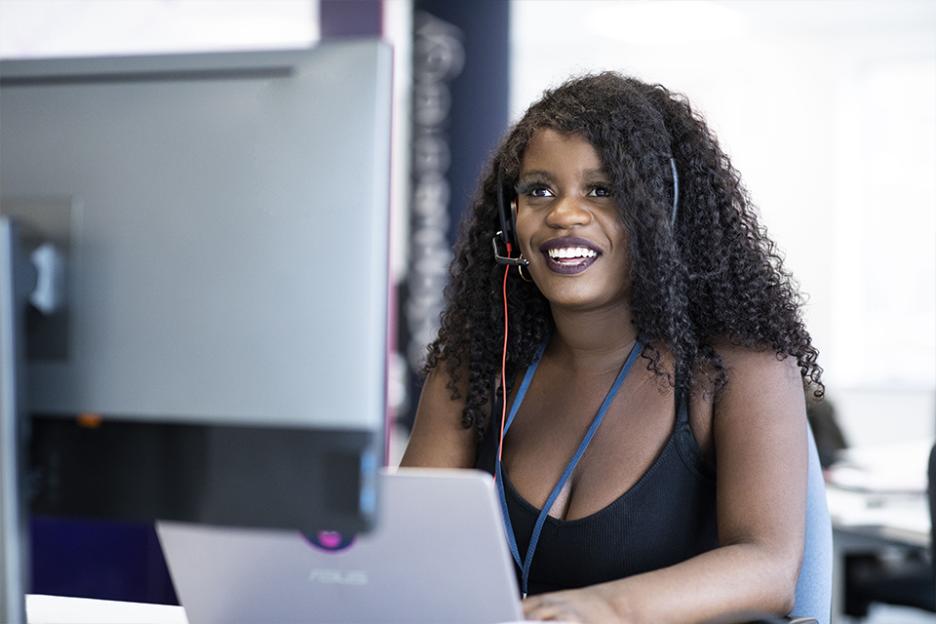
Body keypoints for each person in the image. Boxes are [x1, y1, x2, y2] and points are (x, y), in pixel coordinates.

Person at [401, 72, 824, 623]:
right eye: (538, 191)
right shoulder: (477, 365)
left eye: (602, 190)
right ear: (510, 220)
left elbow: (767, 569)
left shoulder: (739, 366)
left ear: (664, 213)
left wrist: (602, 607)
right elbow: (404, 552)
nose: (564, 214)